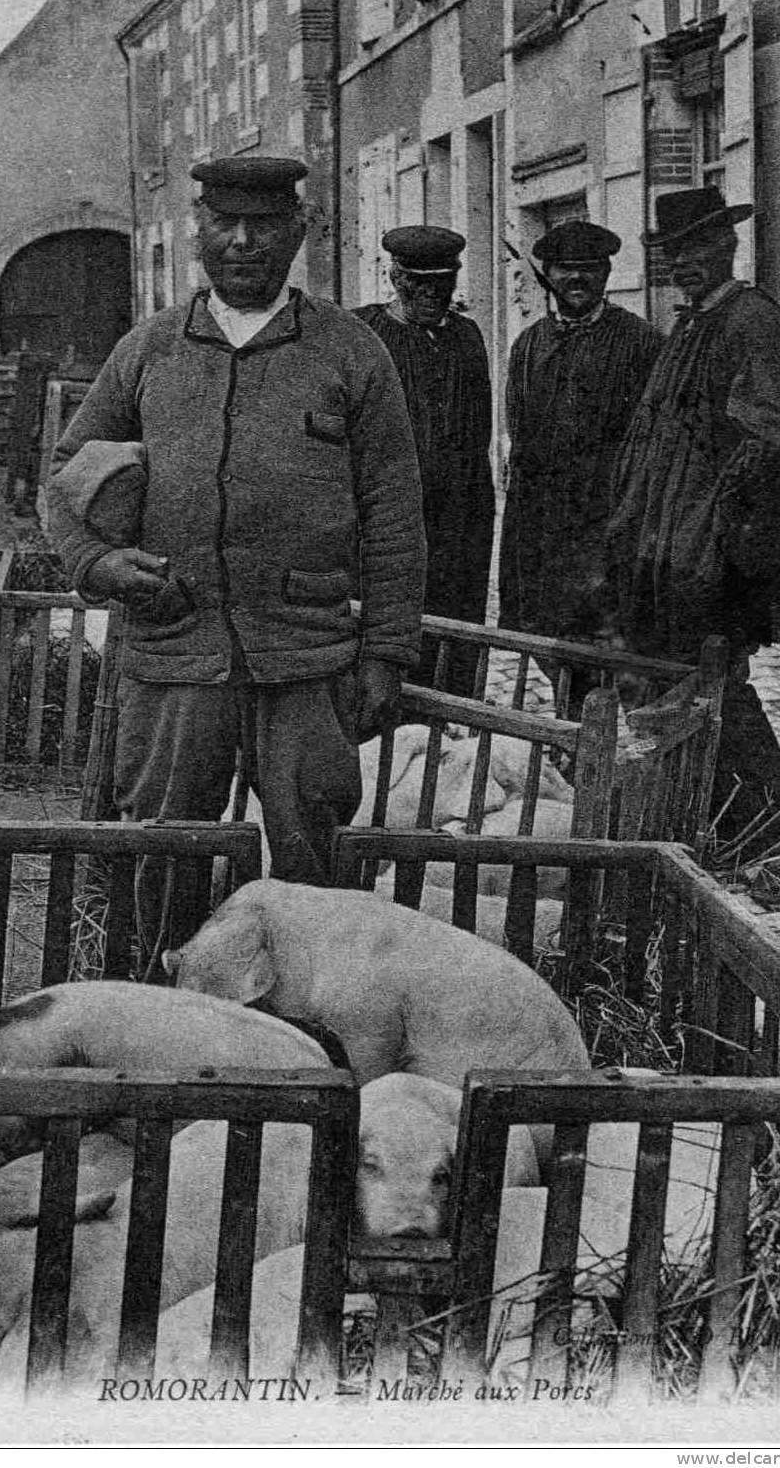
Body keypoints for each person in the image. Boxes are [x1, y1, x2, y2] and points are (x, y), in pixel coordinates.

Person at [47, 156, 426, 959]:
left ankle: (302, 1043)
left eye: (264, 224)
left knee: (310, 859)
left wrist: (386, 653)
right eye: (226, 223)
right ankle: (157, 1016)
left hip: (307, 657)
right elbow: (67, 480)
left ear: (299, 231)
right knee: (164, 850)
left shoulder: (350, 352)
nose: (244, 242)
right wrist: (99, 567)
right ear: (200, 233)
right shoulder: (149, 349)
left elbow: (395, 514)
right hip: (174, 654)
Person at [609, 186, 780, 906]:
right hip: (670, 555)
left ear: (727, 246)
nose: (686, 264)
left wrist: (726, 541)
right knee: (692, 691)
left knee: (720, 694)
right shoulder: (696, 323)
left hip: (714, 562)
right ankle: (734, 832)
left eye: (699, 248)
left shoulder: (751, 321)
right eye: (676, 253)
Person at [497, 220, 663, 718]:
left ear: (607, 273)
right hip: (546, 537)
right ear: (548, 275)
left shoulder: (640, 343)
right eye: (566, 269)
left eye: (588, 269)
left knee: (619, 657)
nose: (577, 279)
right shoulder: (529, 347)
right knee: (556, 647)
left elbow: (653, 449)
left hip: (610, 533)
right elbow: (521, 446)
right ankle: (576, 741)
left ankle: (624, 758)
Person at [356, 226, 495, 698]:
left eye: (444, 285)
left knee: (453, 625)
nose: (433, 296)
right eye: (420, 285)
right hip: (385, 518)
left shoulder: (466, 338)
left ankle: (450, 723)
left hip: (456, 521)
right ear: (396, 278)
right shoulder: (364, 334)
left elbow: (479, 437)